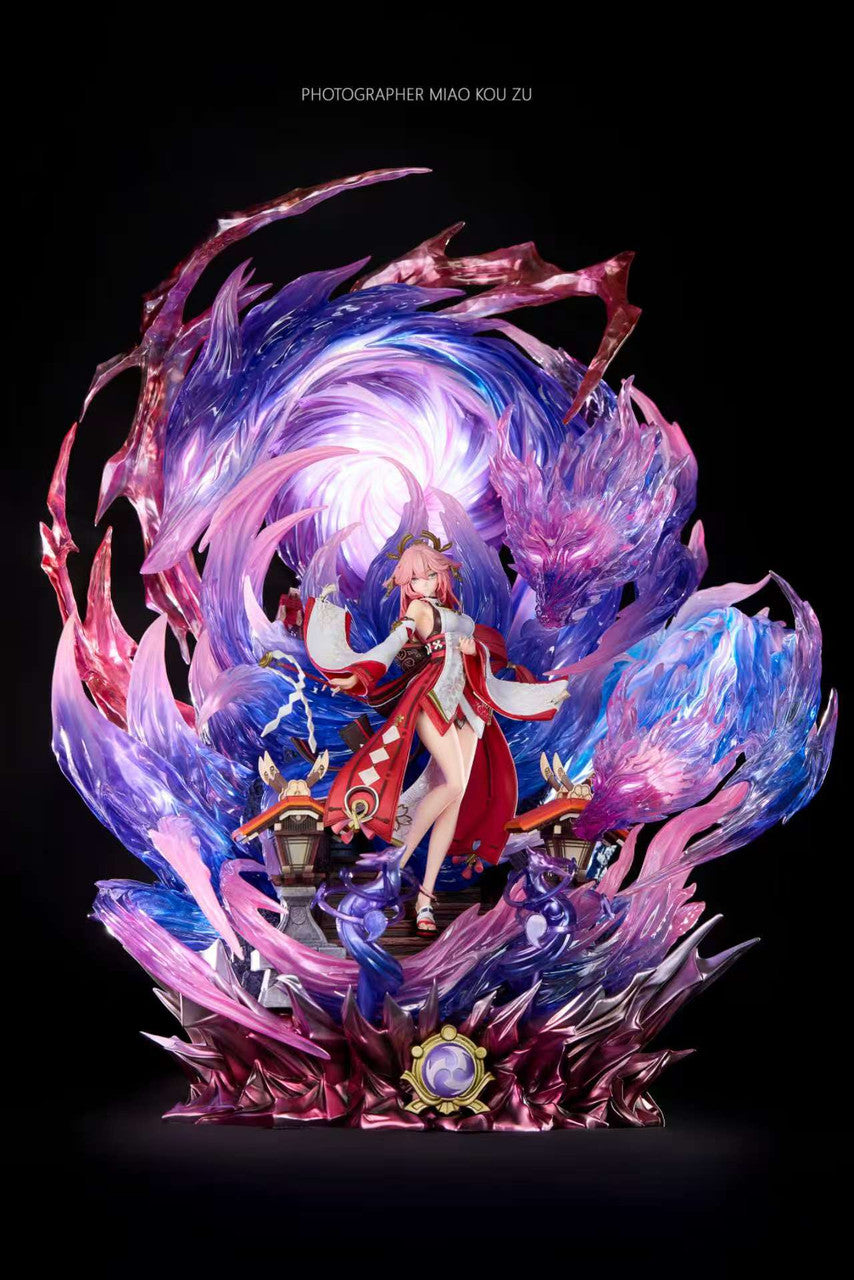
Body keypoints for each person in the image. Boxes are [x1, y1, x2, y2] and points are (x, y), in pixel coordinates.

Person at [302, 533, 569, 935]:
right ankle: (394, 862)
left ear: (441, 575)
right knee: (454, 785)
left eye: (428, 575)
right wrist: (359, 674)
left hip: (469, 702)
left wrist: (474, 650)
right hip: (432, 697)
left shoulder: (451, 610)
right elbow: (394, 643)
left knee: (454, 796)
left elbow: (479, 650)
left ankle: (425, 897)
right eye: (414, 578)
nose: (422, 584)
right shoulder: (419, 610)